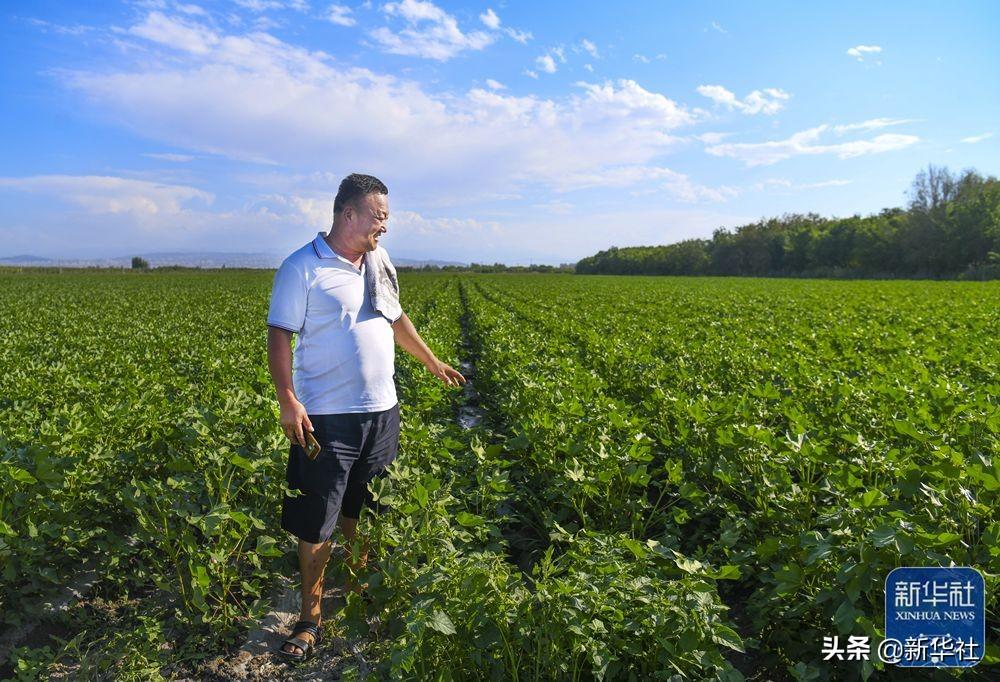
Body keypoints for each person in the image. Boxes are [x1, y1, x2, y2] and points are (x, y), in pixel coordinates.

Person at [265, 173, 465, 661]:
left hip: (382, 412)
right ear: (347, 214)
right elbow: (279, 335)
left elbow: (395, 318)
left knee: (364, 510)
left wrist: (431, 360)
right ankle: (311, 619)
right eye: (379, 217)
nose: (385, 227)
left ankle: (356, 594)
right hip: (327, 418)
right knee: (318, 521)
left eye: (387, 218)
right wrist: (288, 399)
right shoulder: (302, 267)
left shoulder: (379, 262)